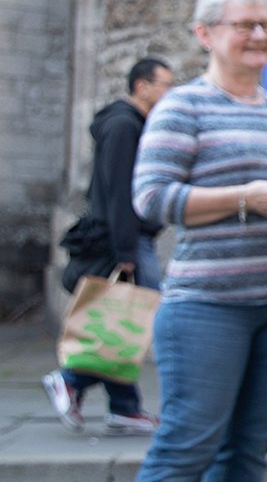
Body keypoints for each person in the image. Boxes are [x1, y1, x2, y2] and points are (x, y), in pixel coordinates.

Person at [131, 0, 267, 482]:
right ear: (206, 33)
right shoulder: (182, 107)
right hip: (209, 308)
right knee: (186, 450)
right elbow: (152, 199)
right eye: (245, 24)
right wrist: (247, 197)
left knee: (247, 454)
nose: (260, 35)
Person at [43, 57, 174, 435]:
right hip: (125, 241)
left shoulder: (130, 125)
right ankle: (71, 380)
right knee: (133, 319)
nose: (169, 92)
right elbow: (120, 193)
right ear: (141, 86)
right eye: (164, 84)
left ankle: (124, 406)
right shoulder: (122, 127)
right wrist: (126, 251)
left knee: (122, 320)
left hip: (129, 238)